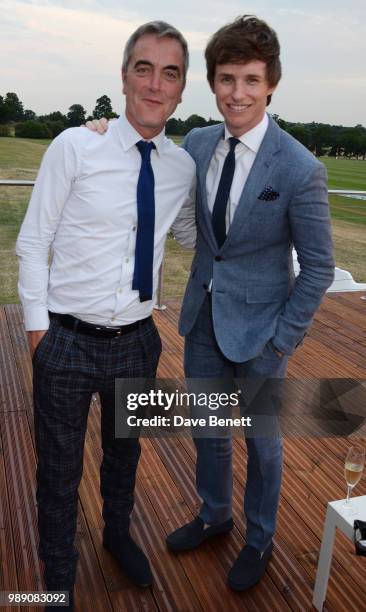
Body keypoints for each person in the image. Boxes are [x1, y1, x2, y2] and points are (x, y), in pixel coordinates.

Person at [86, 14, 335, 593]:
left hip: (264, 333)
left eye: (250, 80)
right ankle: (214, 514)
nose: (237, 93)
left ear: (271, 83)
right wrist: (101, 130)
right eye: (227, 79)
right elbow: (148, 159)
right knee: (207, 430)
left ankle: (258, 537)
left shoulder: (300, 167)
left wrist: (282, 340)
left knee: (263, 444)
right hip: (202, 321)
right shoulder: (198, 142)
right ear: (213, 83)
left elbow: (319, 266)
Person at [16, 21, 195, 609]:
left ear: (181, 87)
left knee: (125, 453)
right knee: (59, 472)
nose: (154, 83)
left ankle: (118, 536)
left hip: (137, 342)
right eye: (143, 68)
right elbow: (32, 240)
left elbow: (195, 233)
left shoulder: (180, 168)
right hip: (65, 340)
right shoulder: (75, 145)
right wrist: (38, 331)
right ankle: (57, 583)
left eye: (169, 72)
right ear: (123, 77)